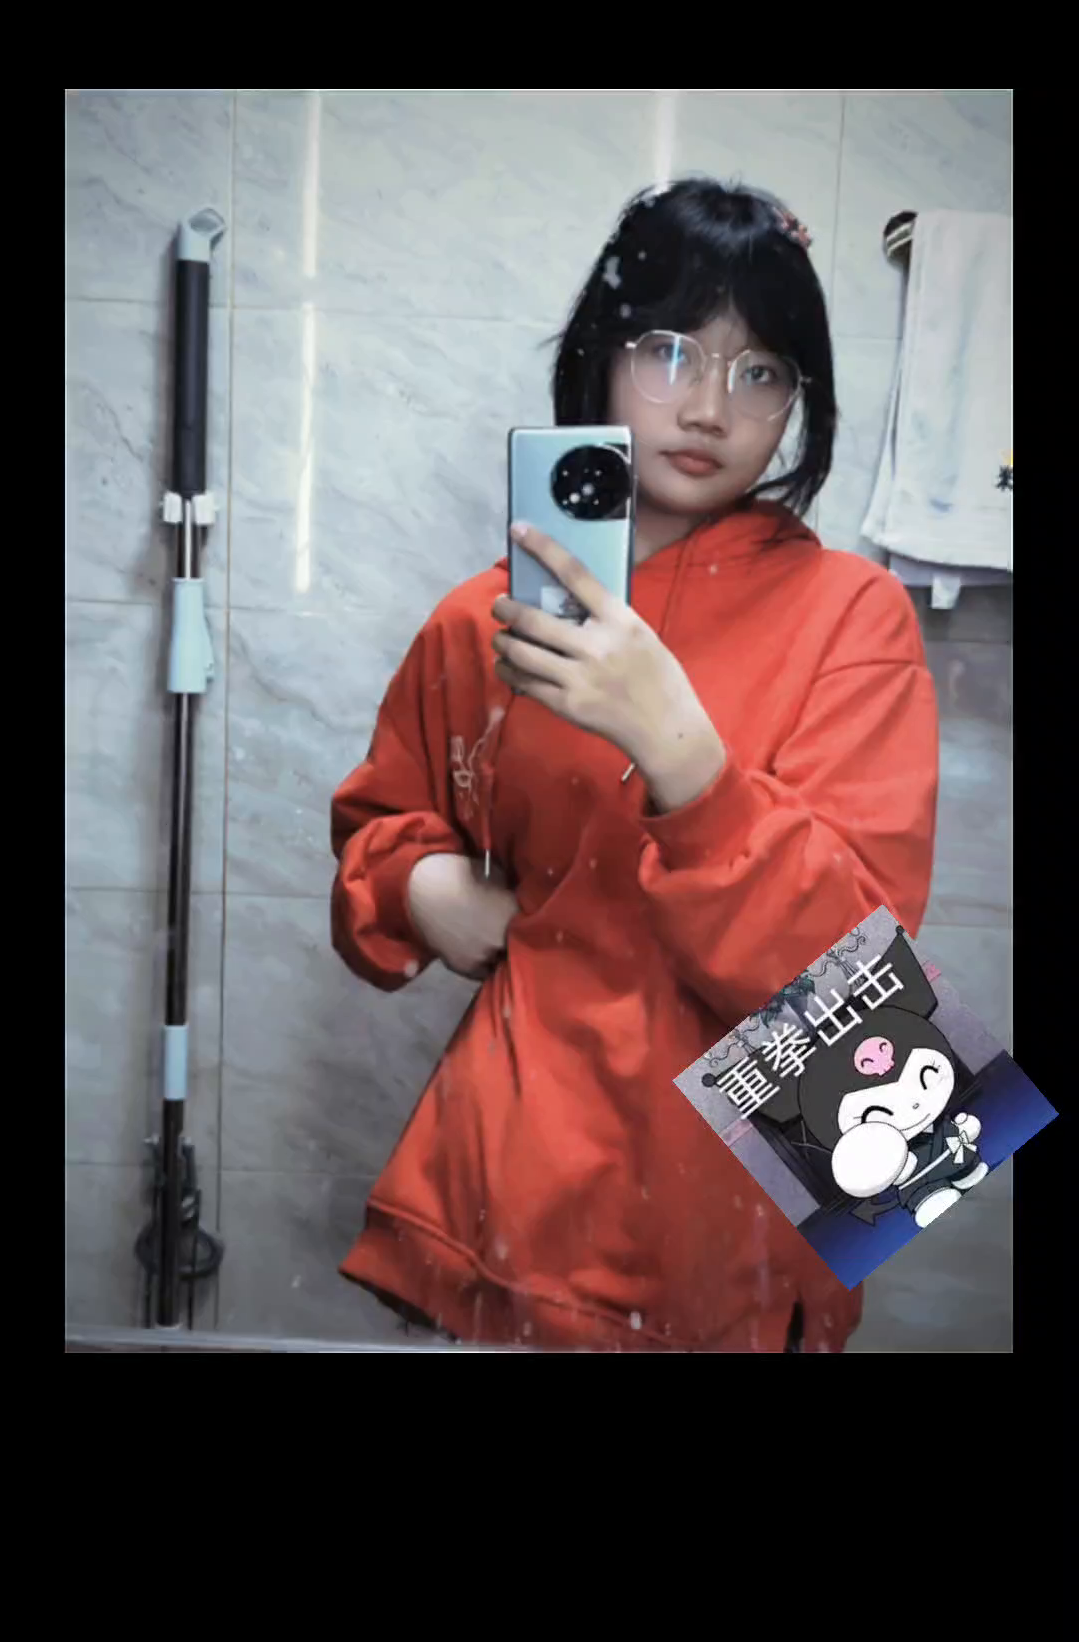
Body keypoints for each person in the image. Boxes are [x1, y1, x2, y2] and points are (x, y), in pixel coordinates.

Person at [330, 177, 939, 1354]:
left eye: (761, 371)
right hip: (523, 1182)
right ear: (601, 356)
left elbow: (865, 992)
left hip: (747, 1216)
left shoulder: (855, 611)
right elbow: (379, 829)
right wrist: (417, 883)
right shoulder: (486, 618)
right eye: (670, 351)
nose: (710, 406)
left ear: (798, 402)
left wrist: (684, 759)